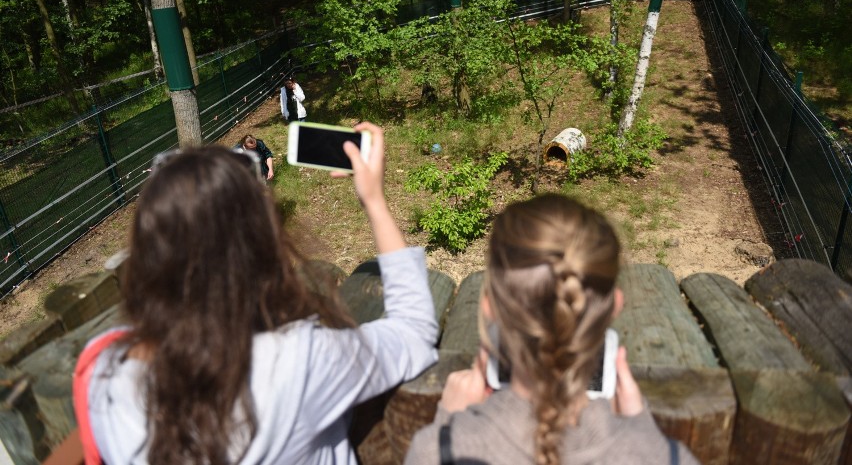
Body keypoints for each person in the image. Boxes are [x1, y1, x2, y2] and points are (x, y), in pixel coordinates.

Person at [79, 123, 439, 464]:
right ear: (260, 242)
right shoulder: (299, 361)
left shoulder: (106, 375)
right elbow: (415, 332)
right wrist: (374, 201)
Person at [405, 194, 700, 465]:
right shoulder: (671, 458)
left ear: (488, 306)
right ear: (615, 306)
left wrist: (447, 426)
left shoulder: (437, 451)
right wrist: (646, 435)